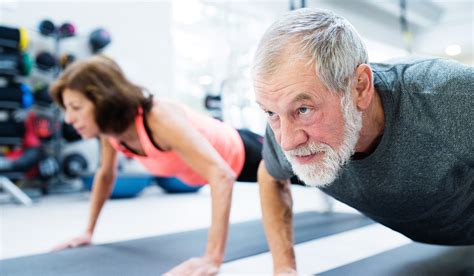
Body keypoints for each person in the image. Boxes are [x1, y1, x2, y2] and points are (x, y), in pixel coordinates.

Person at [252, 8, 473, 274]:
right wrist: (283, 267)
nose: (287, 141)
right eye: (271, 113)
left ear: (360, 87)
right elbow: (270, 175)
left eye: (304, 109)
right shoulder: (285, 125)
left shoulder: (449, 96)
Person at [49, 55, 263, 275]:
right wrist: (88, 232)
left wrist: (212, 258)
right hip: (225, 166)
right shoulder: (110, 130)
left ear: (103, 100)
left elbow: (221, 175)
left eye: (75, 107)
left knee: (297, 177)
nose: (68, 119)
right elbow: (105, 174)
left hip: (246, 151)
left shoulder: (158, 118)